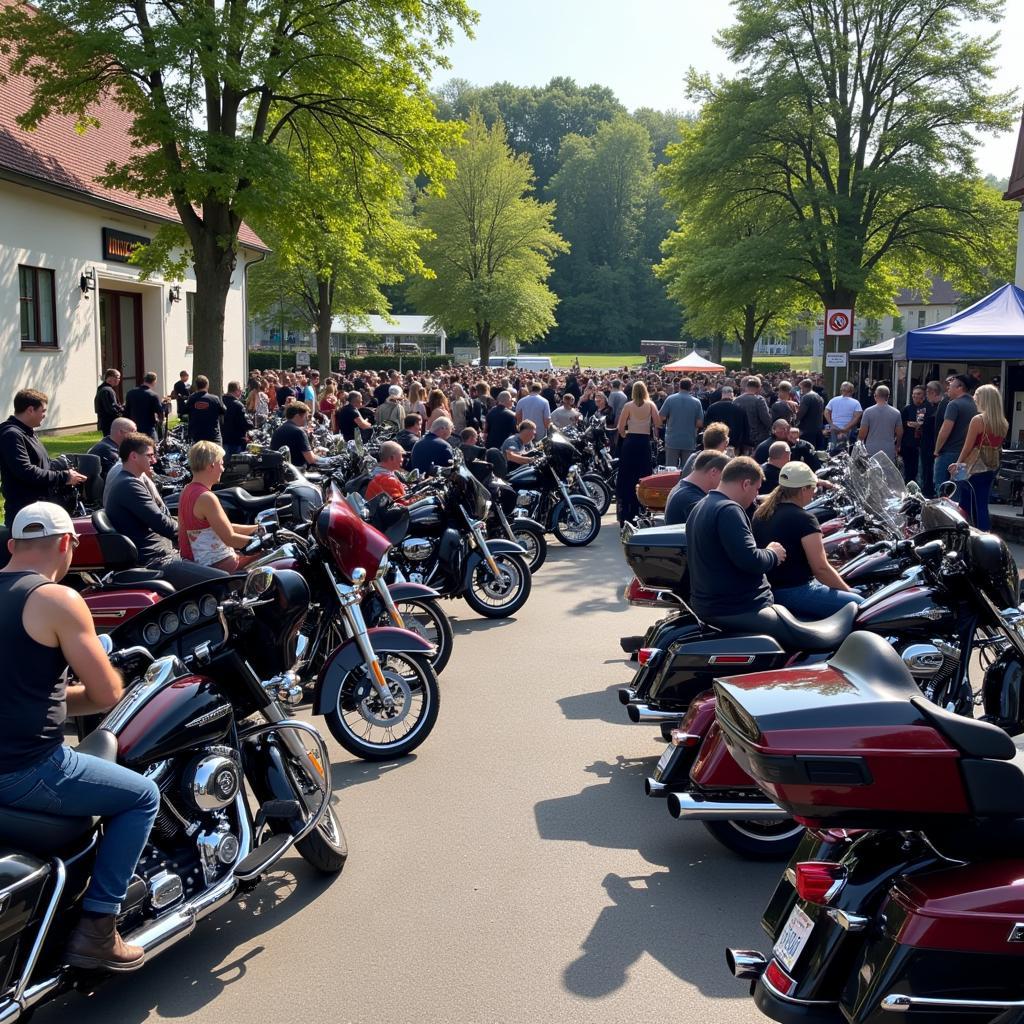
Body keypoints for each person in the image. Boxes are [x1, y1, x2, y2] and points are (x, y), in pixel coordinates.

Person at [0, 502, 159, 971]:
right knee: (143, 796)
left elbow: (21, 689)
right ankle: (98, 928)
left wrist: (53, 698)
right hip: (29, 770)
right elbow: (107, 693)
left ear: (12, 546)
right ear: (68, 544)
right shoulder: (57, 599)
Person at [104, 433, 225, 588]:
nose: (154, 460)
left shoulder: (133, 481)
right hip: (157, 561)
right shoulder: (128, 485)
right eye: (149, 455)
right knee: (223, 580)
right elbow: (161, 523)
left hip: (164, 554)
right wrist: (193, 531)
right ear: (133, 456)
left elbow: (163, 518)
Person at [752, 461, 864, 618]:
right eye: (813, 487)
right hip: (795, 591)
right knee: (863, 605)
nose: (815, 492)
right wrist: (848, 591)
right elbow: (821, 569)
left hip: (771, 588)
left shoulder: (762, 513)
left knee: (859, 591)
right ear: (803, 489)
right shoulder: (804, 519)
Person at [684, 457, 786, 623]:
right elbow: (751, 560)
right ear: (746, 484)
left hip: (713, 605)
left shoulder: (701, 506)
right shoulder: (729, 510)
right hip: (738, 607)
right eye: (757, 489)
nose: (756, 495)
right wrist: (773, 554)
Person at [0, 389, 87, 526]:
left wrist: (66, 470)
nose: (44, 415)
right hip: (25, 513)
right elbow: (26, 471)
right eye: (43, 411)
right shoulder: (12, 435)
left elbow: (42, 464)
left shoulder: (28, 432)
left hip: (39, 508)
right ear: (30, 410)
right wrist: (64, 477)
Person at [177, 442, 259, 571]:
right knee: (275, 556)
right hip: (217, 565)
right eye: (221, 463)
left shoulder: (187, 490)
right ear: (211, 465)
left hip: (201, 562)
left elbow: (221, 528)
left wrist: (256, 529)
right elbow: (230, 539)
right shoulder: (206, 497)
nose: (223, 469)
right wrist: (265, 542)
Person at [949, 383, 1006, 531]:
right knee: (982, 504)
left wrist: (958, 463)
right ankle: (984, 533)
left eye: (977, 396)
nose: (974, 399)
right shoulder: (1003, 423)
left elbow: (968, 448)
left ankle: (964, 534)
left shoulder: (978, 420)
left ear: (984, 400)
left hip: (972, 468)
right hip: (990, 468)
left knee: (965, 504)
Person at [615, 381, 661, 526]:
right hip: (643, 442)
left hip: (631, 441)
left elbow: (620, 427)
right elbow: (658, 422)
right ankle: (643, 506)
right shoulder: (651, 405)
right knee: (643, 474)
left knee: (628, 476)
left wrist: (625, 435)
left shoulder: (628, 406)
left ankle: (627, 509)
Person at [933, 373, 978, 497]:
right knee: (958, 490)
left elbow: (945, 430)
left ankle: (943, 516)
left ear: (959, 388)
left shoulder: (953, 404)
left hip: (948, 453)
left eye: (951, 386)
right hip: (967, 455)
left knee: (942, 489)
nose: (948, 388)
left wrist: (937, 450)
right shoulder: (975, 405)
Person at [665, 451, 729, 526]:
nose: (725, 481)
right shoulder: (691, 499)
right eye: (725, 476)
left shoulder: (683, 488)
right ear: (713, 472)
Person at [659, 378, 704, 468]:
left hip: (672, 440)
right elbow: (699, 423)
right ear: (691, 387)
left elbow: (661, 417)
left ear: (679, 386)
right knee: (686, 470)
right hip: (689, 440)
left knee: (670, 470)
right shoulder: (696, 402)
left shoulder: (670, 399)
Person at [857, 385, 903, 461]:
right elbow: (900, 433)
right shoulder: (896, 412)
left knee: (872, 471)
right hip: (889, 449)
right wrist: (898, 445)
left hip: (871, 448)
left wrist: (859, 445)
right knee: (888, 472)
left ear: (875, 396)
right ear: (888, 397)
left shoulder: (868, 412)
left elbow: (862, 433)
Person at [271, 402, 318, 467]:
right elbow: (311, 460)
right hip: (296, 473)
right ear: (297, 416)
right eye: (305, 416)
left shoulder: (278, 430)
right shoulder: (299, 432)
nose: (307, 419)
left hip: (280, 472)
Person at [734, 376, 772, 452]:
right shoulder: (759, 400)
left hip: (741, 437)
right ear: (759, 388)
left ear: (746, 387)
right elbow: (766, 419)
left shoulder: (736, 400)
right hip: (758, 437)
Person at [704, 385, 747, 451]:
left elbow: (706, 425)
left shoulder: (712, 407)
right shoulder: (740, 409)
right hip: (734, 444)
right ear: (732, 394)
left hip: (716, 442)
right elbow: (745, 428)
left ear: (722, 394)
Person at [899, 386, 927, 486]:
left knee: (919, 469)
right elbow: (900, 424)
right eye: (914, 394)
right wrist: (909, 424)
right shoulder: (907, 409)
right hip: (908, 443)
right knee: (908, 468)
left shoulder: (926, 408)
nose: (915, 396)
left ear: (924, 396)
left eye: (918, 394)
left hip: (922, 443)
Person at [123, 372, 163, 440]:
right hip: (148, 428)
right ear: (154, 381)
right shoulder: (153, 395)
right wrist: (160, 422)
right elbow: (160, 412)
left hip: (133, 426)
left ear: (144, 380)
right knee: (152, 446)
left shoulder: (130, 393)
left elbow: (126, 411)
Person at [918, 381, 942, 497]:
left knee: (931, 471)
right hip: (926, 443)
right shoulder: (927, 406)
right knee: (926, 471)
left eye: (927, 393)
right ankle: (927, 491)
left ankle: (930, 492)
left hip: (934, 444)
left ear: (932, 392)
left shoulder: (942, 406)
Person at [186, 375, 226, 444]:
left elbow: (184, 411)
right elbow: (223, 410)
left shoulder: (191, 399)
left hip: (197, 437)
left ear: (196, 386)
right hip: (213, 437)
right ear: (207, 385)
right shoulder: (214, 399)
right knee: (217, 454)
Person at [824, 381, 863, 451]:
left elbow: (826, 412)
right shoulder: (856, 403)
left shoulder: (833, 400)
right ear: (852, 391)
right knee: (848, 451)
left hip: (835, 429)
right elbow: (857, 417)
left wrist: (831, 424)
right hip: (849, 430)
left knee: (833, 450)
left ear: (841, 390)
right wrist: (846, 428)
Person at [222, 381, 250, 456]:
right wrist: (251, 425)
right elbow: (245, 422)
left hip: (223, 438)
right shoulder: (238, 405)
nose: (241, 391)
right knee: (236, 464)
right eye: (240, 389)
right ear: (237, 390)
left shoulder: (220, 401)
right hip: (235, 440)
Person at [796, 379, 825, 450]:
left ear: (804, 387)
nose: (801, 390)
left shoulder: (806, 397)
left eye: (801, 388)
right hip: (817, 427)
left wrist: (795, 420)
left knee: (807, 450)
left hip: (807, 429)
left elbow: (801, 413)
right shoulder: (818, 396)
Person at [94, 369, 124, 435]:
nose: (119, 379)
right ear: (110, 377)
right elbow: (111, 409)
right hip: (110, 423)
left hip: (105, 423)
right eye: (118, 377)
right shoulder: (107, 390)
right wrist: (122, 412)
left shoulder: (102, 388)